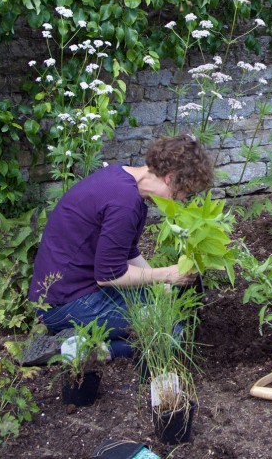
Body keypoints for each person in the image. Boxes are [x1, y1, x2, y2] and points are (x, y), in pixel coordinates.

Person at [24, 134, 213, 364]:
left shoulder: (121, 178)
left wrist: (159, 286)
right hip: (65, 304)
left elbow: (127, 253)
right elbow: (108, 274)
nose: (182, 199)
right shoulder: (124, 202)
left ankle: (82, 341)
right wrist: (167, 274)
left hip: (68, 291)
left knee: (163, 302)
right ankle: (78, 348)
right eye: (185, 192)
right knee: (169, 328)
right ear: (170, 178)